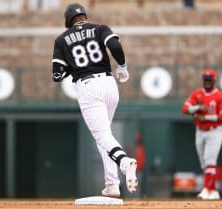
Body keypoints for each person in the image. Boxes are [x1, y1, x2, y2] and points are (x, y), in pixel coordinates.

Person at [51, 3, 137, 197]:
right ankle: (112, 184)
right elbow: (114, 45)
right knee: (105, 135)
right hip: (109, 84)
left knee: (102, 136)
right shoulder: (100, 28)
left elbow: (57, 75)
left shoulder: (62, 39)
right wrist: (122, 66)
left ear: (68, 20)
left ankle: (124, 163)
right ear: (84, 15)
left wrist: (71, 66)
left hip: (88, 87)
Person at [182, 68, 222, 200]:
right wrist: (198, 108)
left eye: (209, 79)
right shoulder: (197, 94)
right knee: (204, 163)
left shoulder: (220, 96)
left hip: (214, 131)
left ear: (214, 80)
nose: (207, 82)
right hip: (200, 131)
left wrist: (207, 117)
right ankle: (214, 191)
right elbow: (185, 109)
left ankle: (206, 189)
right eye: (205, 79)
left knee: (210, 161)